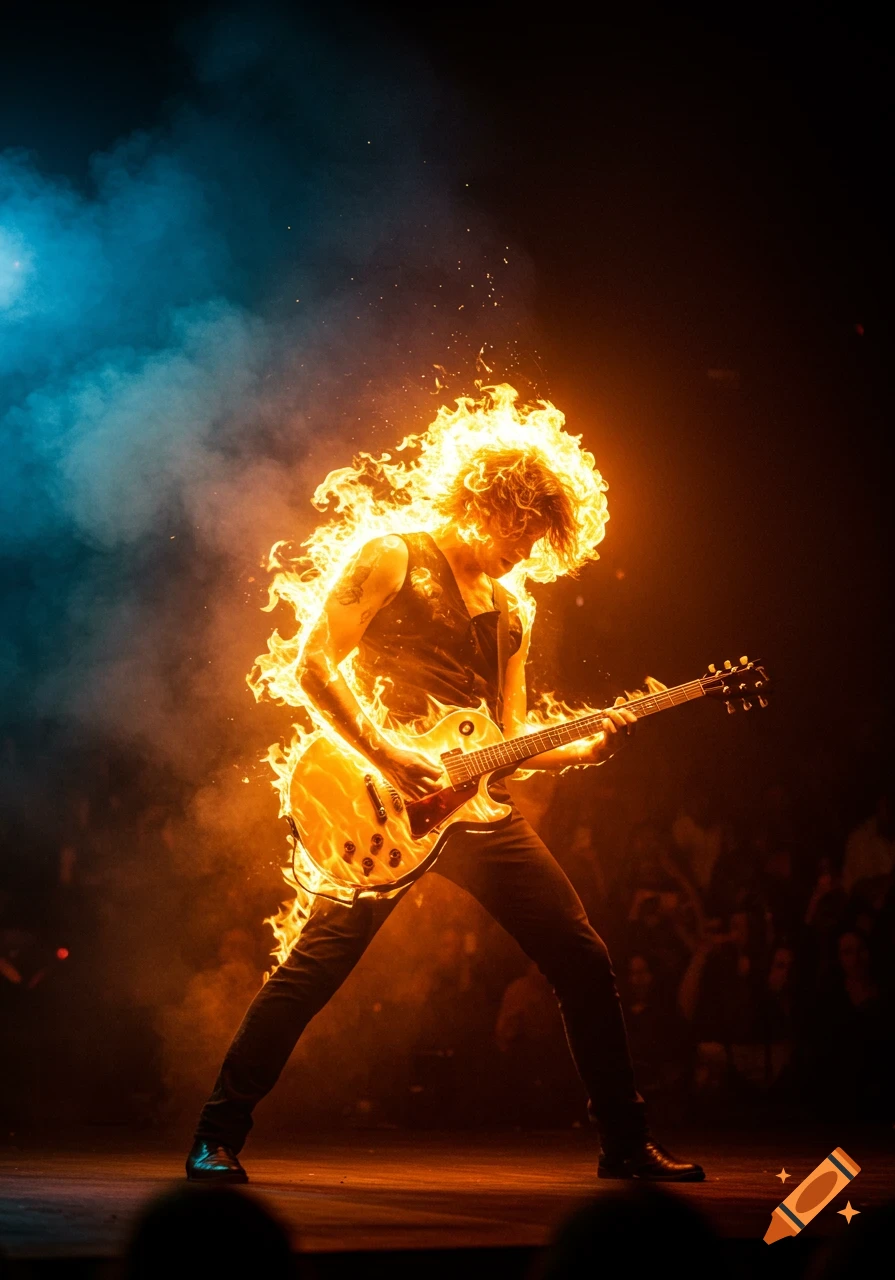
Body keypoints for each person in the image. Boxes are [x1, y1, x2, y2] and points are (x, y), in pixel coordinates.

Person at [186, 445, 704, 1183]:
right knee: (312, 970)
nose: (530, 550)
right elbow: (312, 666)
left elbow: (509, 742)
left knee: (582, 957)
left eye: (543, 539)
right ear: (495, 504)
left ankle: (625, 1143)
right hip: (379, 805)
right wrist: (387, 755)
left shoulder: (513, 612)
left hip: (477, 811)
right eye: (526, 531)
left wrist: (583, 750)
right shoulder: (393, 556)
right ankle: (215, 1136)